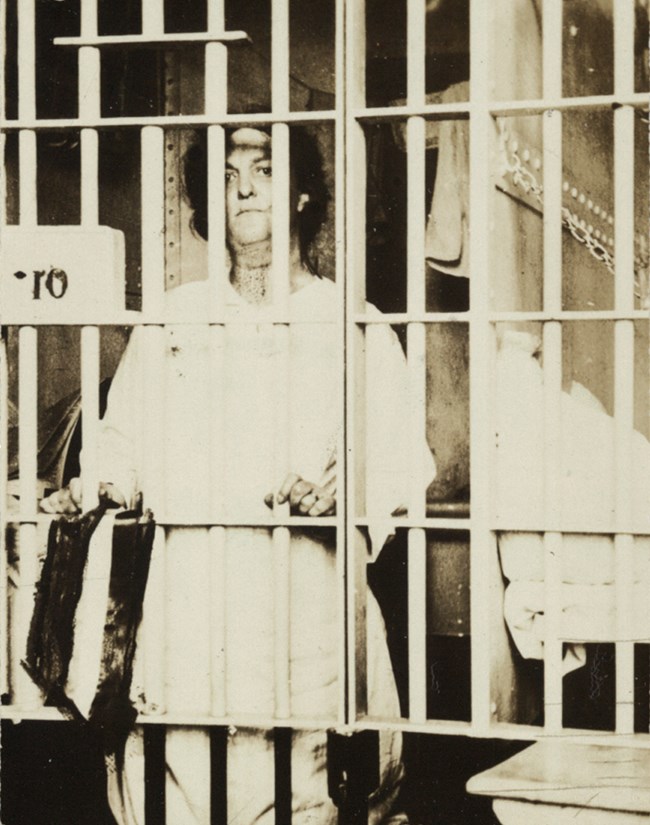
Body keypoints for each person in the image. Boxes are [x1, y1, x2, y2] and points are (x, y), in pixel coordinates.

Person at [41, 125, 435, 824]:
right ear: (206, 199)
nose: (245, 185)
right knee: (174, 793)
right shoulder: (174, 318)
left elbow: (402, 461)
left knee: (308, 795)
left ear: (305, 193)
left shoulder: (354, 324)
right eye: (226, 174)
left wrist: (347, 488)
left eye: (264, 167)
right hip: (186, 620)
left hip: (304, 618)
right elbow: (120, 442)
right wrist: (100, 482)